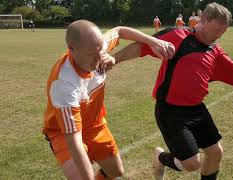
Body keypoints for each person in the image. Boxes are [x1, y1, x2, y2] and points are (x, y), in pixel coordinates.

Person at [112, 2, 233, 180]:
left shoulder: (215, 51)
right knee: (192, 164)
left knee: (215, 153)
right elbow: (140, 47)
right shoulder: (178, 35)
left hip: (197, 110)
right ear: (203, 20)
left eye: (223, 32)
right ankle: (160, 158)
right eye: (216, 30)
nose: (218, 35)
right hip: (170, 111)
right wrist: (112, 60)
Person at [43, 20, 175, 180]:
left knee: (116, 171)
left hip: (95, 124)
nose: (100, 58)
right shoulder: (64, 84)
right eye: (92, 54)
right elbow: (75, 143)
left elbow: (119, 31)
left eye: (101, 51)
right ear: (72, 48)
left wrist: (154, 41)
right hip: (64, 133)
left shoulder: (96, 47)